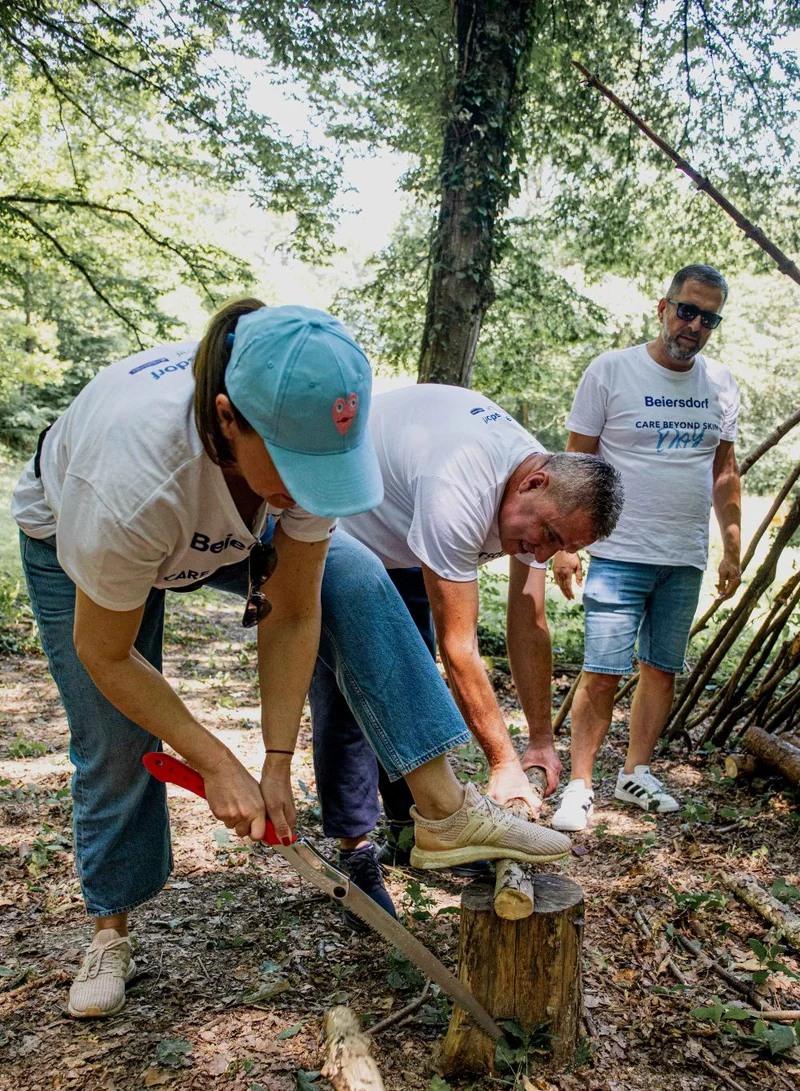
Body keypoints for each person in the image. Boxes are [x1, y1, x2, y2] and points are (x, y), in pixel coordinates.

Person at [11, 299, 571, 1019]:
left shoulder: (306, 450)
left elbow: (295, 609)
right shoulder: (135, 479)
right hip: (86, 538)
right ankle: (110, 928)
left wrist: (276, 759)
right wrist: (216, 761)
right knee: (115, 738)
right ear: (226, 416)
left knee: (361, 576)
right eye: (295, 465)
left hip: (223, 525)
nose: (312, 488)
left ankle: (443, 810)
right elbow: (106, 653)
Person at [309, 383, 623, 913]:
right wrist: (502, 764)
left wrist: (541, 742)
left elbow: (530, 624)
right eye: (545, 533)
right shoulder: (460, 485)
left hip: (403, 539)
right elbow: (462, 650)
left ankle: (418, 828)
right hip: (336, 529)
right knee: (348, 694)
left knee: (409, 677)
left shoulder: (539, 501)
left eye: (560, 546)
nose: (541, 552)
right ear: (534, 481)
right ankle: (355, 850)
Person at [550, 264, 742, 832]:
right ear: (664, 308)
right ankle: (580, 787)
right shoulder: (612, 371)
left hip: (683, 553)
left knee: (661, 670)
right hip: (618, 549)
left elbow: (725, 470)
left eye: (707, 318)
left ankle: (636, 772)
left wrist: (732, 543)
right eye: (686, 310)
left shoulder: (722, 384)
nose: (694, 325)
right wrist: (565, 543)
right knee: (602, 670)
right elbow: (576, 461)